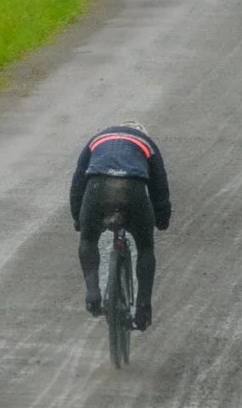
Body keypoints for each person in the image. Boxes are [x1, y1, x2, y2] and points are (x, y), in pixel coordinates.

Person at [70, 120, 171, 331]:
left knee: (88, 240)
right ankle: (143, 308)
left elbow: (78, 182)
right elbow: (159, 184)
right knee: (145, 248)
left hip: (97, 186)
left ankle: (92, 294)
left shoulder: (97, 139)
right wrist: (162, 219)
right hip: (132, 188)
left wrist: (79, 219)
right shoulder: (146, 143)